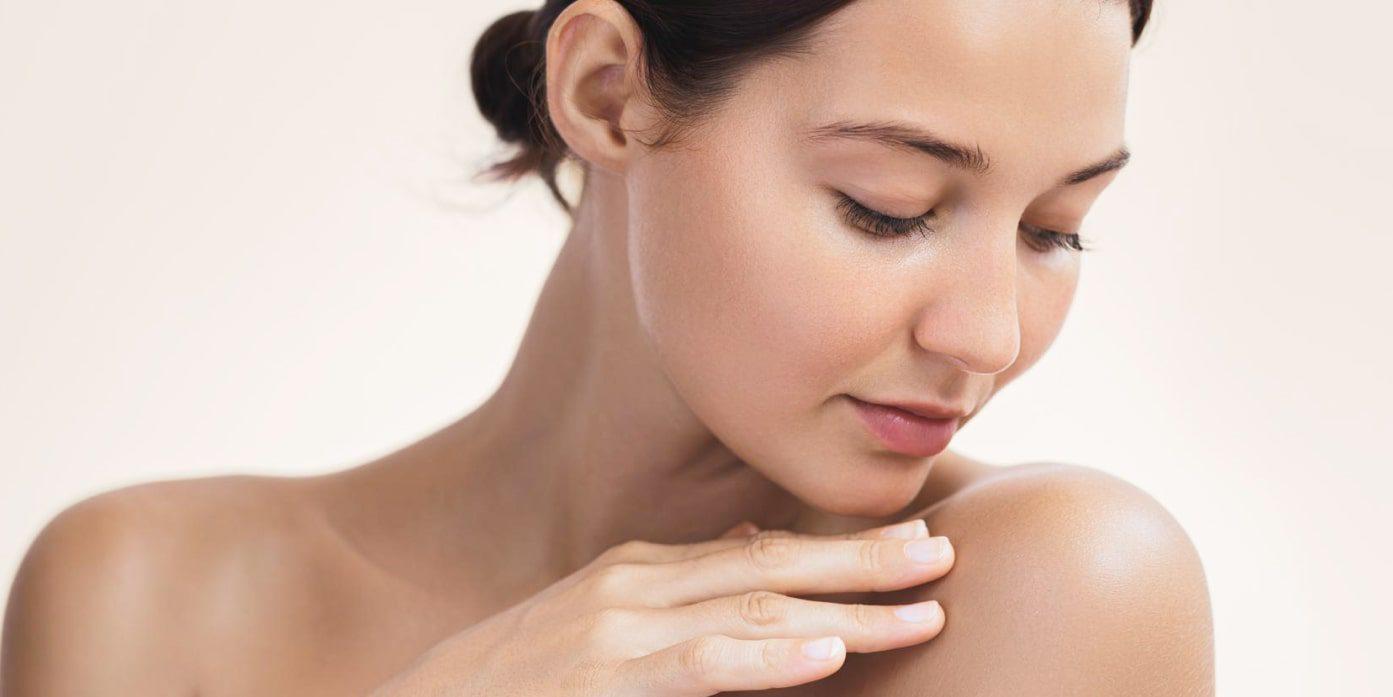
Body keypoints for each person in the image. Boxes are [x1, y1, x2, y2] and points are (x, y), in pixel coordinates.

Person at [1, 0, 1212, 694]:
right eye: (887, 208)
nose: (990, 335)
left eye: (1055, 229)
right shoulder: (145, 601)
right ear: (603, 91)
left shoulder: (1052, 587)